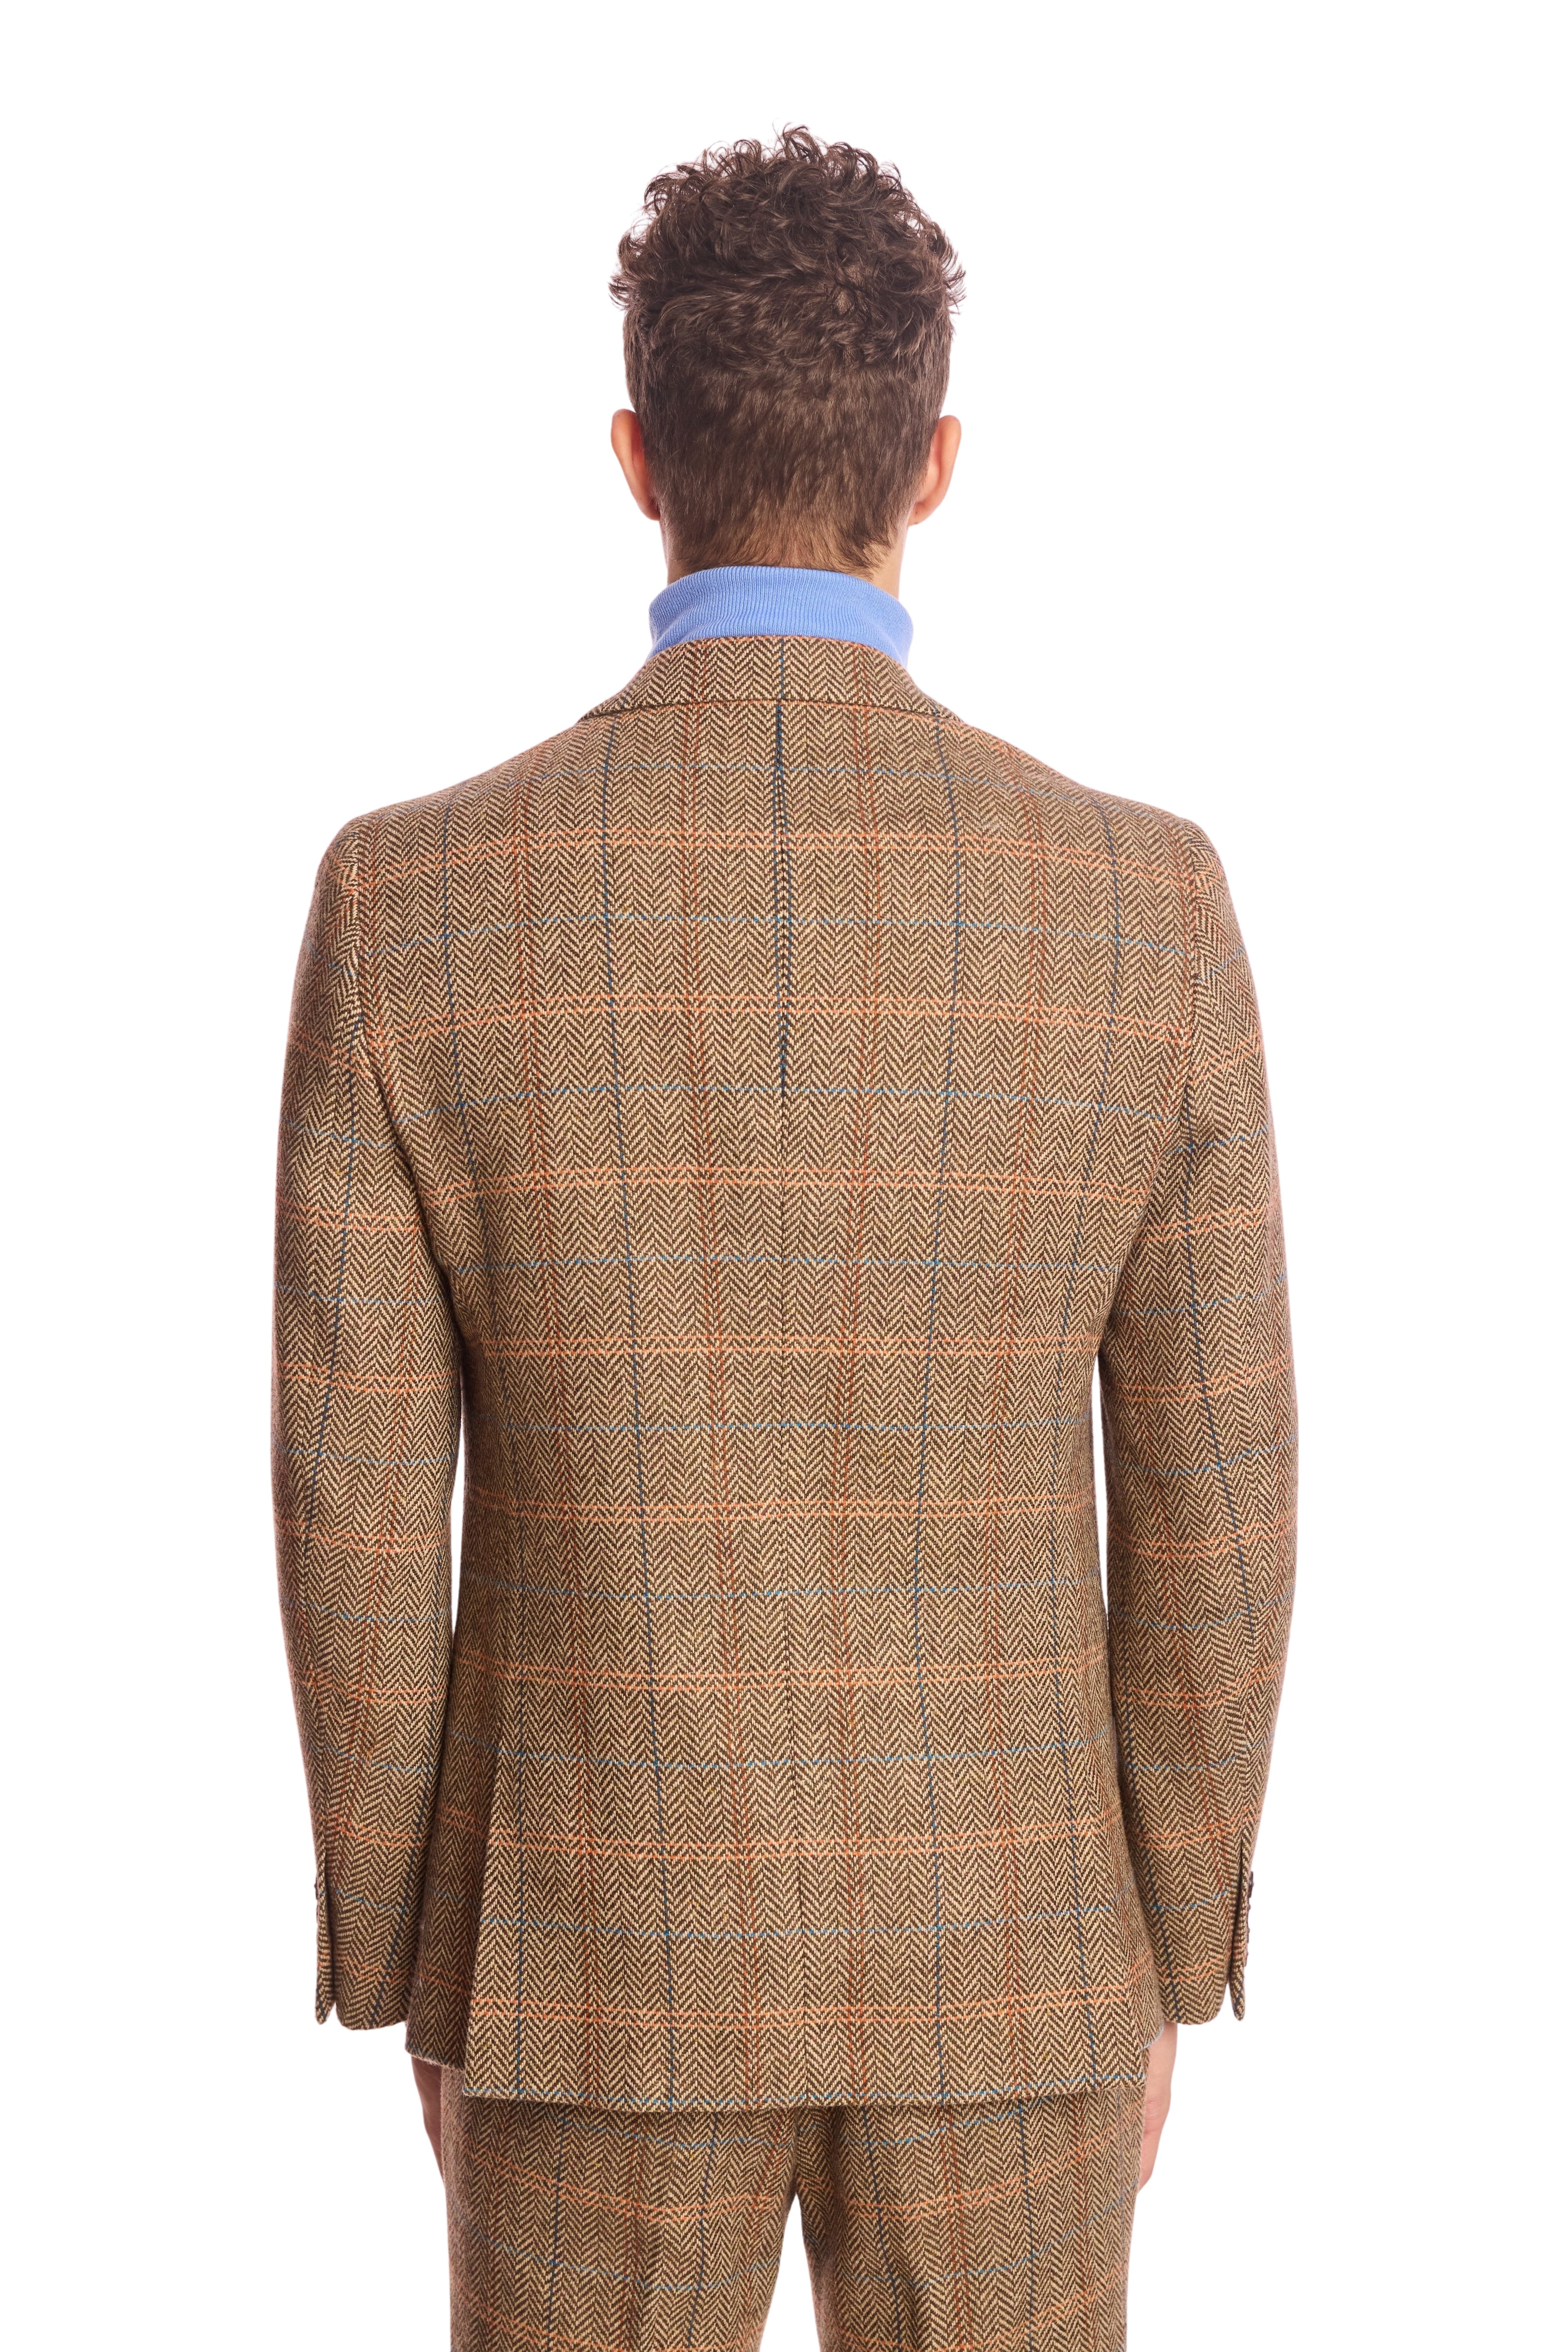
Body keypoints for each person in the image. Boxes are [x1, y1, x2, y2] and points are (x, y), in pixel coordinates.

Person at [273, 126, 1295, 2352]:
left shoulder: (413, 907)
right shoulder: (1143, 911)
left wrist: (416, 1956)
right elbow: (1218, 1505)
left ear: (638, 457)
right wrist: (1167, 1944)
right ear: (935, 466)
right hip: (1014, 1946)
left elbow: (356, 1516)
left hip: (584, 1952)